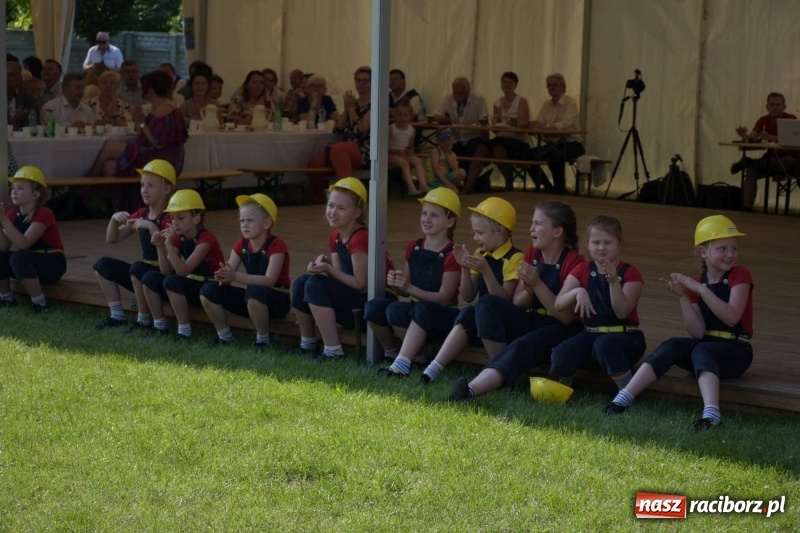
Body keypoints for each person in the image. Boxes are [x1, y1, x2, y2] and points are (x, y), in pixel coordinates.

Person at [604, 215, 753, 431]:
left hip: (737, 351)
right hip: (706, 346)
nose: (730, 254)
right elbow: (698, 332)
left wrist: (701, 290)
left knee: (704, 351)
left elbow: (732, 317)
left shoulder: (740, 275)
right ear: (704, 252)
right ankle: (622, 399)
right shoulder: (697, 283)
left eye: (734, 248)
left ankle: (712, 415)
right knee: (673, 344)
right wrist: (683, 297)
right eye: (723, 248)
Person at [449, 201, 585, 401]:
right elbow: (518, 303)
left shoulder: (575, 262)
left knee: (522, 345)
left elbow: (566, 317)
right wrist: (529, 290)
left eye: (538, 224)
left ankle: (470, 390)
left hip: (562, 330)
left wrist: (537, 284)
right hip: (534, 319)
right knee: (487, 303)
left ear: (557, 232)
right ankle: (501, 376)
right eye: (532, 223)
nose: (531, 229)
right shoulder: (532, 253)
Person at [419, 197, 524, 384]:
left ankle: (498, 369)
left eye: (480, 233)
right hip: (483, 322)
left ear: (499, 230)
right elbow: (467, 297)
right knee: (468, 311)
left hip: (504, 327)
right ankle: (433, 369)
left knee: (483, 305)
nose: (475, 238)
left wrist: (486, 271)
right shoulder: (480, 254)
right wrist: (464, 268)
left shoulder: (515, 258)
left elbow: (505, 301)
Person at [290, 177, 393, 360]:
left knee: (314, 284)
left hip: (373, 307)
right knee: (301, 283)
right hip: (355, 300)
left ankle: (333, 350)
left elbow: (361, 284)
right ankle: (307, 343)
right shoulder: (335, 237)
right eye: (330, 205)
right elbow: (341, 278)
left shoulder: (360, 237)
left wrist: (328, 270)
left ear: (357, 213)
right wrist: (326, 265)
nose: (333, 212)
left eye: (341, 208)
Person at [365, 188, 461, 378]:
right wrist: (397, 283)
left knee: (411, 310)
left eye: (434, 215)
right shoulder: (414, 246)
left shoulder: (452, 254)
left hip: (439, 316)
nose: (426, 219)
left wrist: (409, 288)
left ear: (450, 222)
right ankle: (395, 355)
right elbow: (406, 292)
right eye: (424, 213)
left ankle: (403, 365)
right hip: (417, 310)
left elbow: (443, 299)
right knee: (373, 307)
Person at [550, 215, 646, 394]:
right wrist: (578, 291)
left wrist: (613, 282)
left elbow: (622, 312)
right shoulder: (582, 270)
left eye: (607, 242)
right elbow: (559, 304)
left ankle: (628, 392)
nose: (601, 248)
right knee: (561, 353)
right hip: (591, 334)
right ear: (587, 244)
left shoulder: (630, 273)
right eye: (596, 242)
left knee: (604, 345)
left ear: (620, 244)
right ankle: (564, 388)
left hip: (625, 337)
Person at [93, 159, 176, 330]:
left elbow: (166, 254)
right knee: (102, 265)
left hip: (162, 277)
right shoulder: (141, 213)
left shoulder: (171, 217)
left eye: (151, 186)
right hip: (141, 274)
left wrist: (151, 226)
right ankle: (117, 315)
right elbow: (112, 238)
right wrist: (113, 220)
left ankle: (144, 320)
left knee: (138, 268)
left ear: (167, 189)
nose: (144, 190)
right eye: (142, 185)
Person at [200, 194, 291, 348]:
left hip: (276, 299)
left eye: (250, 220)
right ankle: (224, 336)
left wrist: (235, 276)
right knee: (207, 290)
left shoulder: (277, 245)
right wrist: (224, 276)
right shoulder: (240, 244)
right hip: (252, 299)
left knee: (254, 293)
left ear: (267, 223)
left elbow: (270, 280)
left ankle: (262, 341)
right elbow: (230, 272)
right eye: (242, 220)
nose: (244, 225)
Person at [141, 189, 224, 340]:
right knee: (150, 277)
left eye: (180, 218)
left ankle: (184, 331)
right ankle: (159, 325)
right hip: (194, 284)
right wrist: (161, 246)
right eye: (172, 218)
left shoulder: (207, 238)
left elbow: (182, 271)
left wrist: (169, 246)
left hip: (211, 289)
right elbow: (166, 271)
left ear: (196, 218)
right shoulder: (180, 237)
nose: (174, 223)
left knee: (172, 281)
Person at [90, 70, 188, 178]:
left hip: (161, 160)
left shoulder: (164, 109)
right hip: (153, 155)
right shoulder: (159, 107)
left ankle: (89, 184)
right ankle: (105, 193)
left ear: (150, 90)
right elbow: (141, 137)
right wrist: (138, 119)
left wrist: (142, 123)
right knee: (110, 166)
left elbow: (158, 143)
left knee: (110, 146)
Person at [0, 166, 66, 312]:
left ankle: (39, 303)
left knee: (18, 257)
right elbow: (4, 247)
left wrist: (3, 219)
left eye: (20, 188)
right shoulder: (13, 213)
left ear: (35, 194)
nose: (14, 192)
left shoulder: (44, 213)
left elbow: (24, 243)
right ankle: (6, 297)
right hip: (30, 261)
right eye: (13, 188)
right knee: (3, 256)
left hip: (52, 262)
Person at [307, 67, 372, 204]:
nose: (361, 84)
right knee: (315, 163)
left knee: (339, 149)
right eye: (358, 80)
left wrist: (351, 109)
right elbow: (338, 129)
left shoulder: (375, 105)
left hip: (364, 149)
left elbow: (361, 131)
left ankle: (346, 197)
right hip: (345, 147)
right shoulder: (353, 103)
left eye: (365, 81)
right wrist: (348, 110)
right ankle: (319, 201)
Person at [729, 92, 800, 210]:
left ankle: (748, 162)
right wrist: (745, 136)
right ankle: (746, 210)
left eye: (778, 105)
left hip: (793, 162)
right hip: (770, 161)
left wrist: (773, 138)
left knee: (787, 160)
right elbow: (753, 137)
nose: (774, 107)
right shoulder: (763, 120)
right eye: (771, 105)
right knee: (751, 171)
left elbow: (793, 141)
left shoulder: (791, 119)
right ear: (767, 107)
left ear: (784, 107)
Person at [527, 73, 585, 194]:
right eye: (549, 85)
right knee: (529, 155)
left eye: (555, 85)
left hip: (571, 143)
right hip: (552, 144)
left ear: (563, 87)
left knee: (555, 156)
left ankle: (560, 189)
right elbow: (539, 123)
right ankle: (547, 186)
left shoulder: (570, 103)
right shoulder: (546, 105)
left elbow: (568, 124)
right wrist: (531, 124)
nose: (551, 88)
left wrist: (549, 127)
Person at [433, 77, 490, 193]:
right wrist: (446, 119)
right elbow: (436, 116)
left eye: (461, 93)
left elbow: (484, 120)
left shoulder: (478, 100)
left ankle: (468, 187)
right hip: (455, 139)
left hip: (473, 137)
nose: (457, 95)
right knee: (442, 148)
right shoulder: (448, 99)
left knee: (480, 149)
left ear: (468, 92)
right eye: (455, 92)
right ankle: (445, 183)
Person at [488, 71, 531, 191]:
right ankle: (508, 179)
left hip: (517, 140)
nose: (507, 85)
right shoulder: (497, 103)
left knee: (499, 148)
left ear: (515, 85)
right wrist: (495, 125)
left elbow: (525, 125)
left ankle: (508, 181)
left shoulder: (521, 101)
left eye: (510, 82)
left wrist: (515, 124)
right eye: (504, 82)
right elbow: (495, 130)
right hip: (501, 138)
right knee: (490, 148)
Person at [388, 101, 428, 195]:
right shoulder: (391, 128)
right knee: (404, 164)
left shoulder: (412, 130)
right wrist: (397, 151)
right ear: (396, 116)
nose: (402, 117)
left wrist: (410, 151)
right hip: (392, 154)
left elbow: (411, 146)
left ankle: (423, 184)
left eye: (406, 115)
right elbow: (385, 147)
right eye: (400, 114)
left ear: (410, 117)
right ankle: (411, 187)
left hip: (404, 153)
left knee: (418, 161)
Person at [425, 127, 466, 193]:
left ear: (452, 139)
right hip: (434, 180)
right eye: (443, 141)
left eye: (448, 140)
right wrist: (447, 183)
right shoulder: (436, 151)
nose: (447, 143)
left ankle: (449, 188)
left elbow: (455, 169)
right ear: (438, 141)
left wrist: (447, 154)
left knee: (462, 172)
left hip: (444, 177)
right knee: (455, 192)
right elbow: (436, 171)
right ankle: (434, 189)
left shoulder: (452, 154)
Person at [6, 57, 39, 130]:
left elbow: (34, 124)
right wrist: (14, 120)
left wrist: (24, 118)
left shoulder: (28, 98)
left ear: (19, 79)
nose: (6, 78)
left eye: (11, 75)